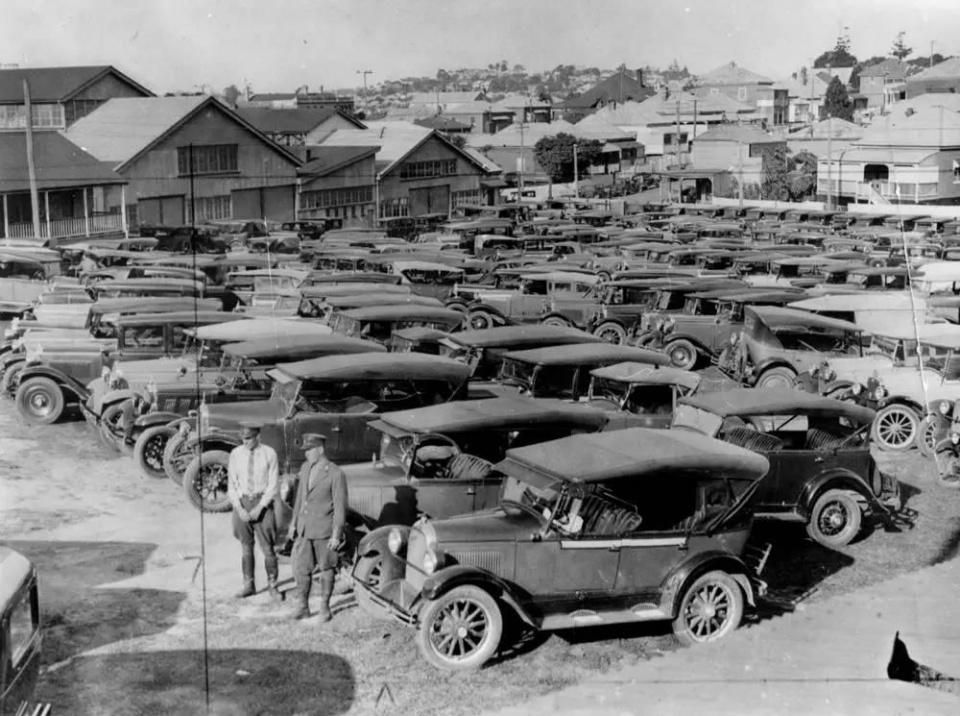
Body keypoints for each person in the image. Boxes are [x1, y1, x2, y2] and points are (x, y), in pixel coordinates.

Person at [287, 433, 347, 622]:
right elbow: (299, 498)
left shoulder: (336, 473)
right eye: (305, 451)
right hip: (305, 529)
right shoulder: (305, 468)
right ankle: (303, 606)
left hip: (324, 531)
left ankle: (324, 609)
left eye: (310, 450)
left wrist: (336, 534)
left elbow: (340, 507)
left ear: (320, 449)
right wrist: (293, 523)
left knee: (327, 568)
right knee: (301, 568)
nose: (307, 454)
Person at [227, 422, 280, 599]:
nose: (245, 442)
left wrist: (260, 507)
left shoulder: (269, 454)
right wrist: (239, 507)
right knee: (246, 548)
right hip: (243, 503)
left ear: (258, 436)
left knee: (268, 548)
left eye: (249, 438)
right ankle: (248, 585)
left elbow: (273, 485)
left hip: (262, 504)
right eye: (243, 439)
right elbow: (232, 484)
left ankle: (273, 585)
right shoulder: (236, 454)